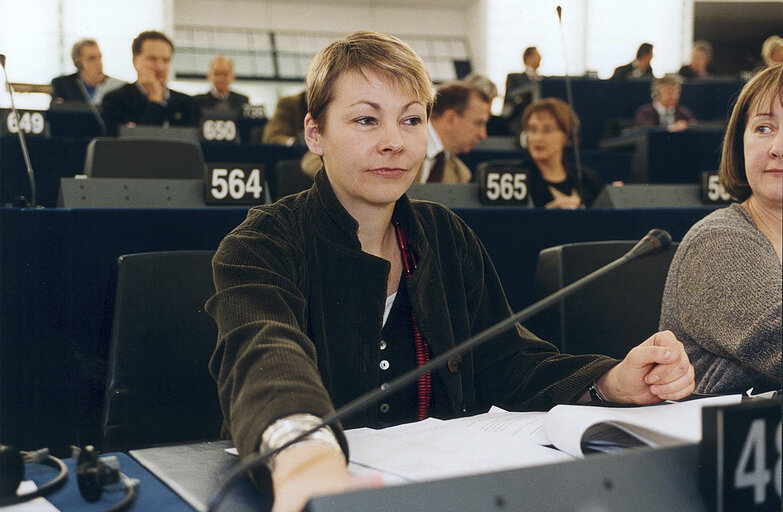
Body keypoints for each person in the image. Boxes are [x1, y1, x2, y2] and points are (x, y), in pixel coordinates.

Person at [206, 31, 694, 512]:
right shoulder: (262, 242)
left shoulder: (445, 235)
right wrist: (305, 461)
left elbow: (506, 361)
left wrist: (608, 382)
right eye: (365, 120)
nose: (394, 142)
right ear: (315, 133)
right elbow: (264, 355)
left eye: (411, 119)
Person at [659, 64, 782, 395]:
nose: (778, 147)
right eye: (764, 128)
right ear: (739, 142)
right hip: (720, 444)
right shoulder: (718, 240)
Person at [102, 30, 200, 136]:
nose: (160, 67)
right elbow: (142, 142)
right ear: (135, 61)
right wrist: (155, 100)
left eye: (166, 60)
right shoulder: (116, 101)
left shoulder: (188, 104)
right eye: (152, 59)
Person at [520, 97, 603, 208]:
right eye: (532, 130)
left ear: (567, 136)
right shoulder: (518, 179)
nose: (538, 138)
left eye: (547, 130)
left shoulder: (588, 180)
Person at [415, 80, 491, 183]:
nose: (483, 135)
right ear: (450, 119)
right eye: (479, 123)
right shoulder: (401, 148)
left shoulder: (461, 175)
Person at [50, 39, 125, 105]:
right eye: (92, 58)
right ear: (78, 63)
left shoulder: (117, 87)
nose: (99, 63)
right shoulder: (63, 84)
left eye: (99, 57)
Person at [502, 47, 541, 135]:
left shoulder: (543, 81)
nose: (540, 58)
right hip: (519, 121)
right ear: (528, 57)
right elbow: (510, 96)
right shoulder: (514, 78)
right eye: (537, 55)